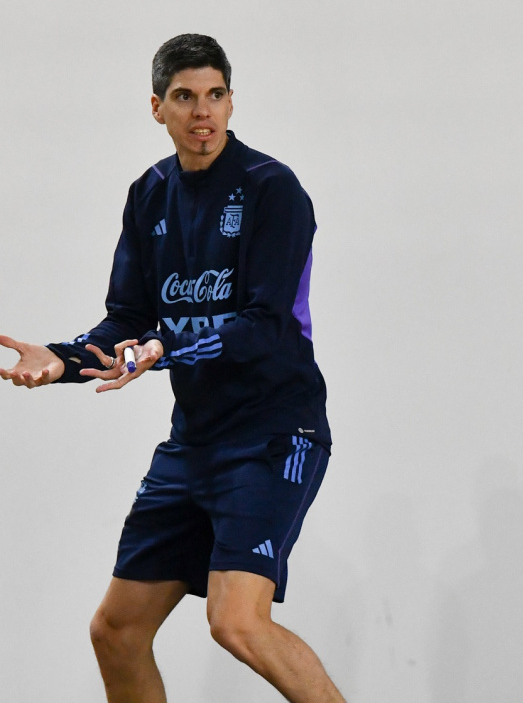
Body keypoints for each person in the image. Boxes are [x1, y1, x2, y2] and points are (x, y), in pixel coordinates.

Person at [0, 34, 347, 703]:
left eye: (215, 95)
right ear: (157, 107)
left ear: (231, 100)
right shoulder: (150, 195)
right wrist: (63, 359)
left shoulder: (273, 190)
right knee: (117, 631)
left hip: (275, 436)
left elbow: (264, 325)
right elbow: (126, 322)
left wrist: (166, 347)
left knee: (236, 623)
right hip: (193, 445)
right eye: (185, 97)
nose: (203, 112)